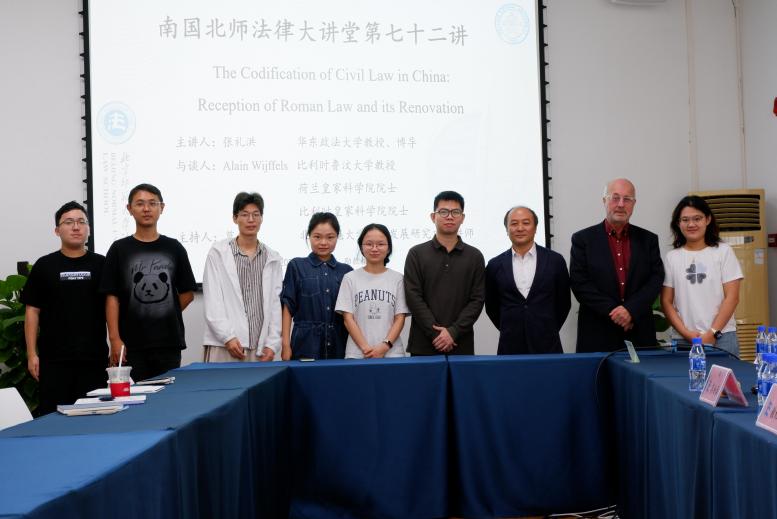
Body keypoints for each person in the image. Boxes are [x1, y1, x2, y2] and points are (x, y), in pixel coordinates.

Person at [100, 183, 197, 381]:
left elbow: (188, 293)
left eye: (152, 203)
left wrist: (164, 309)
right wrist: (114, 339)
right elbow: (112, 297)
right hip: (130, 344)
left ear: (162, 208)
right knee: (134, 396)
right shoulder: (119, 249)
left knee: (167, 395)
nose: (146, 209)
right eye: (140, 203)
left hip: (168, 342)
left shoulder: (174, 247)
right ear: (129, 209)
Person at [21, 201, 108, 414]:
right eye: (68, 222)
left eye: (81, 222)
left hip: (94, 360)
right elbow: (32, 311)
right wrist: (32, 354)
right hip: (54, 362)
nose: (76, 227)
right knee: (54, 419)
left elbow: (112, 307)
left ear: (89, 229)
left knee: (95, 419)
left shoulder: (102, 264)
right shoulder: (44, 265)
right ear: (57, 230)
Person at [570, 178, 664, 353]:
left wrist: (630, 310)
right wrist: (615, 312)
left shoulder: (649, 240)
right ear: (604, 201)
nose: (621, 204)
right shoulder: (583, 239)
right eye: (615, 198)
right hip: (597, 332)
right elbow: (580, 283)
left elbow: (655, 279)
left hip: (638, 331)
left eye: (627, 199)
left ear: (634, 204)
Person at [202, 192, 283, 362]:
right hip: (226, 345)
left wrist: (273, 343)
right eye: (245, 214)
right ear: (235, 218)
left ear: (262, 218)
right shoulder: (218, 253)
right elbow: (213, 300)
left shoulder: (272, 257)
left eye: (256, 214)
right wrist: (227, 337)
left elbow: (275, 305)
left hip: (260, 348)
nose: (251, 220)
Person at [404, 191, 485, 355]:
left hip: (460, 343)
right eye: (443, 212)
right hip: (424, 344)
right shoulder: (416, 254)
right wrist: (436, 334)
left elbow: (477, 300)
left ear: (462, 218)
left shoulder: (475, 256)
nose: (449, 217)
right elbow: (413, 297)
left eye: (455, 212)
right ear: (433, 217)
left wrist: (453, 331)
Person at [660, 195, 743, 355]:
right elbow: (666, 301)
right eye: (685, 220)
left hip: (722, 337)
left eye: (697, 218)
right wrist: (686, 333)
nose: (691, 224)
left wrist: (712, 333)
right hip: (683, 339)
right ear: (678, 223)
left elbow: (732, 298)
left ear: (708, 219)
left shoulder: (723, 251)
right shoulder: (672, 257)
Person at [485, 206, 571, 354]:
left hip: (548, 344)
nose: (520, 228)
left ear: (535, 228)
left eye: (526, 223)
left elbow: (563, 303)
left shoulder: (555, 261)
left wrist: (547, 328)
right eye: (514, 224)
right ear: (507, 229)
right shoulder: (494, 265)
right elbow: (492, 307)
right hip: (510, 345)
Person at [281, 212, 353, 360]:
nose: (323, 242)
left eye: (330, 237)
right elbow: (288, 307)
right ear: (309, 236)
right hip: (305, 344)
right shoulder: (296, 266)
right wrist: (285, 345)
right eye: (317, 237)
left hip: (339, 344)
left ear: (337, 237)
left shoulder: (346, 271)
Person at [335, 223, 410, 359]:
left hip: (392, 353)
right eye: (369, 244)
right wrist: (366, 348)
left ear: (388, 248)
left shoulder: (398, 279)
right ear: (361, 247)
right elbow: (348, 318)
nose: (374, 249)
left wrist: (384, 346)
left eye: (380, 244)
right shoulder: (350, 278)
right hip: (357, 353)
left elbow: (400, 318)